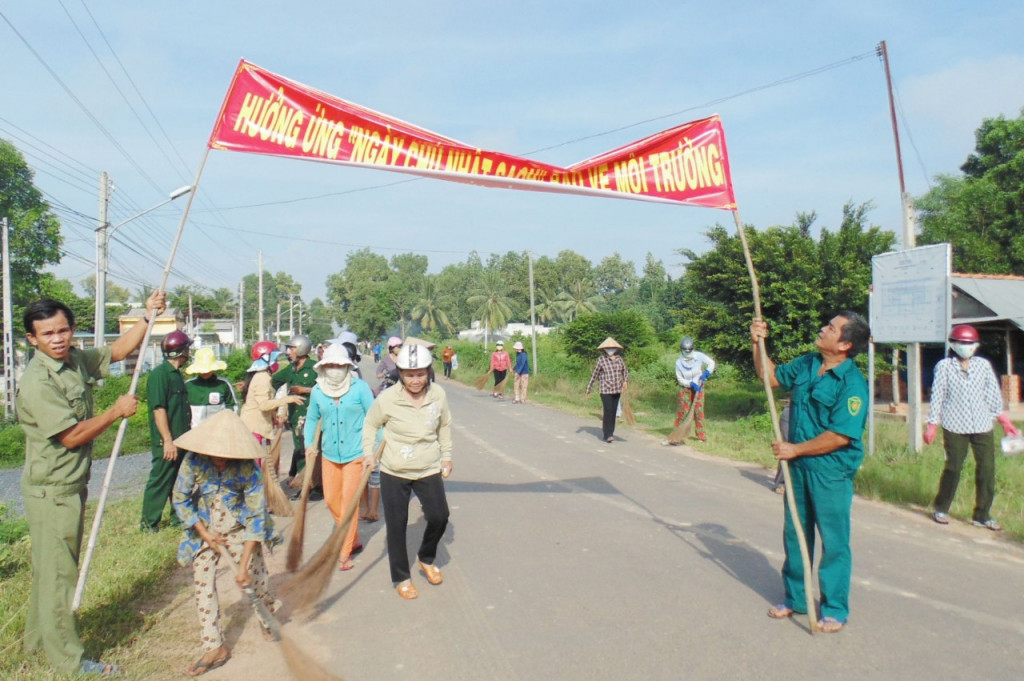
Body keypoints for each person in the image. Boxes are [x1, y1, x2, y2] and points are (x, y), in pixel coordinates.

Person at [17, 290, 165, 677]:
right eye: (47, 334)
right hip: (52, 491)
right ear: (32, 339)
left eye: (63, 330)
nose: (58, 339)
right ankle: (70, 662)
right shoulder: (38, 381)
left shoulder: (71, 361)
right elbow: (70, 436)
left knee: (51, 570)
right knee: (59, 576)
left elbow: (115, 352)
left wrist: (148, 318)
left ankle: (38, 641)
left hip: (69, 485)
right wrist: (116, 412)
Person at [750, 312, 870, 633]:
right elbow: (770, 377)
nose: (822, 329)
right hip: (799, 469)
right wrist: (757, 343)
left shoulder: (853, 384)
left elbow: (840, 435)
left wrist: (795, 449)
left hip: (830, 472)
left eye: (831, 328)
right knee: (795, 534)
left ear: (845, 344)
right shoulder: (806, 364)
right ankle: (796, 599)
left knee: (834, 541)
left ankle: (834, 608)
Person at [171, 410, 282, 677]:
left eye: (225, 454)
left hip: (240, 530)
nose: (220, 459)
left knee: (256, 581)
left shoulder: (247, 467)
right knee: (202, 582)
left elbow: (257, 516)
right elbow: (180, 498)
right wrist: (204, 533)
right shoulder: (194, 461)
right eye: (215, 453)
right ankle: (214, 645)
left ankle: (267, 616)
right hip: (206, 528)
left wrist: (242, 565)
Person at [362, 343, 453, 600]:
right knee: (397, 525)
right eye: (410, 375)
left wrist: (446, 456)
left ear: (428, 372)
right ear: (400, 373)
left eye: (421, 374)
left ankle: (426, 557)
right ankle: (401, 576)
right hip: (395, 469)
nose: (415, 380)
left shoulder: (438, 395)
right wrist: (368, 454)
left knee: (439, 516)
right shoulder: (388, 398)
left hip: (428, 466)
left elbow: (444, 425)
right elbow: (370, 424)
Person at [925, 324, 1020, 530]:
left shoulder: (983, 366)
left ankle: (982, 514)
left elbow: (993, 396)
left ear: (976, 345)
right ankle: (941, 507)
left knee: (987, 469)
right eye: (961, 343)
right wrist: (932, 424)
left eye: (969, 343)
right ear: (953, 344)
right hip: (954, 425)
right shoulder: (944, 366)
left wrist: (1005, 422)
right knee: (953, 467)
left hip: (982, 424)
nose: (965, 347)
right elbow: (937, 396)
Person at [304, 344, 375, 570]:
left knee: (349, 504)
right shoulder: (318, 391)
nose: (335, 369)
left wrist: (371, 451)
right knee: (332, 500)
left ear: (347, 366)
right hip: (330, 455)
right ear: (323, 367)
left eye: (339, 365)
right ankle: (352, 539)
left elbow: (374, 418)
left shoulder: (359, 388)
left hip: (356, 454)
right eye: (330, 365)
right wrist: (308, 445)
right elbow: (312, 419)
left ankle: (344, 553)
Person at [141, 329, 193, 532]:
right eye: (187, 348)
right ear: (181, 351)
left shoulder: (176, 375)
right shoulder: (160, 375)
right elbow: (159, 409)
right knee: (161, 480)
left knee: (178, 480)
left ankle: (177, 518)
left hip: (181, 438)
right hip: (168, 441)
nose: (189, 352)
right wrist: (167, 440)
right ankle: (148, 524)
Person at [271, 334, 318, 484]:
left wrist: (305, 390)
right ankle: (303, 481)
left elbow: (326, 389)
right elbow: (274, 381)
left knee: (307, 448)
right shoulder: (290, 369)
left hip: (310, 415)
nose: (288, 352)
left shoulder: (315, 368)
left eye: (291, 349)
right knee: (299, 448)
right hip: (294, 416)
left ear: (300, 349)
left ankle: (309, 484)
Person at [585, 337, 629, 443]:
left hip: (617, 389)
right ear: (604, 349)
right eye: (608, 348)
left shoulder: (619, 359)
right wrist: (588, 389)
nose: (610, 349)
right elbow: (594, 375)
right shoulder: (601, 360)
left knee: (613, 413)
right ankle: (607, 434)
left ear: (615, 348)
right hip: (605, 390)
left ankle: (610, 432)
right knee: (608, 411)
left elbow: (625, 371)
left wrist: (625, 381)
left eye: (611, 347)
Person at [674, 337, 716, 442]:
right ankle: (677, 434)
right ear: (682, 350)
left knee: (699, 411)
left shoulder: (699, 356)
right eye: (685, 351)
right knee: (682, 411)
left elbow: (711, 363)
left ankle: (701, 437)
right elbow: (680, 379)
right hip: (685, 388)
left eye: (689, 350)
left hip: (699, 386)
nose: (688, 353)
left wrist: (706, 373)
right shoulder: (679, 362)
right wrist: (690, 384)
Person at [184, 347, 237, 427]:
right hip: (195, 431)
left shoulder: (223, 384)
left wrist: (229, 424)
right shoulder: (189, 385)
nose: (205, 373)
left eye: (208, 370)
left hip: (219, 430)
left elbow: (232, 406)